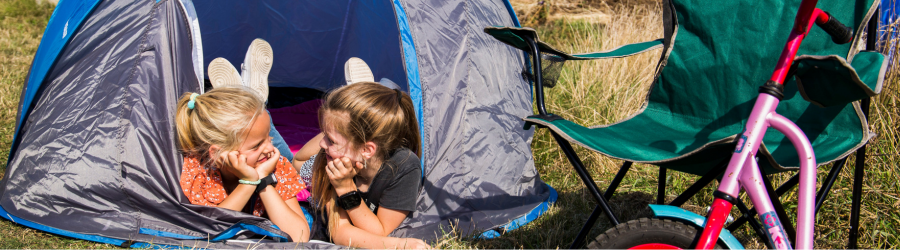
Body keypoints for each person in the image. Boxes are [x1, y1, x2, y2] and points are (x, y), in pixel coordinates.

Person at [175, 87, 310, 242]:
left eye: (269, 137)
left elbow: (300, 236)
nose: (270, 149)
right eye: (256, 146)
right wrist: (248, 182)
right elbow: (208, 230)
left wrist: (263, 181)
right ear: (218, 153)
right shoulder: (200, 172)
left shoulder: (275, 165)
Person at [309, 82, 429, 249]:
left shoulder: (403, 166)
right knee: (299, 162)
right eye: (325, 135)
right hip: (308, 174)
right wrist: (346, 189)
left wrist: (346, 188)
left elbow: (380, 231)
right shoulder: (331, 160)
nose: (322, 144)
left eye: (330, 139)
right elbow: (339, 232)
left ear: (366, 149)